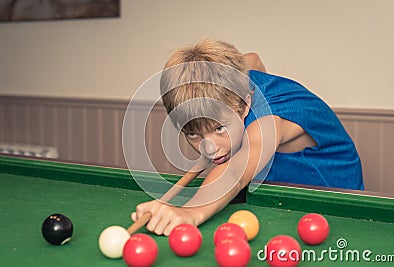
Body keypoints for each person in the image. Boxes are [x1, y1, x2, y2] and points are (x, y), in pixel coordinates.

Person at [131, 39, 364, 236]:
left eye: (219, 128)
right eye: (193, 133)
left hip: (336, 195)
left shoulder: (271, 122)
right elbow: (253, 59)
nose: (209, 148)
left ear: (245, 104)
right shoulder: (235, 79)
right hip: (281, 191)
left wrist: (190, 211)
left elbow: (235, 170)